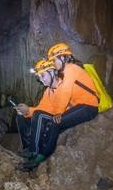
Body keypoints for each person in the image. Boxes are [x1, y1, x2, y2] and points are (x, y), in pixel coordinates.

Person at [15, 43, 99, 171]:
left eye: (54, 60)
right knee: (25, 118)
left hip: (88, 106)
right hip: (77, 107)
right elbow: (43, 109)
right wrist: (27, 112)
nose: (54, 63)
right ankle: (30, 151)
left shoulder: (71, 69)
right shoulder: (49, 90)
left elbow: (65, 92)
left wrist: (59, 113)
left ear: (63, 57)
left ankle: (39, 156)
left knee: (54, 122)